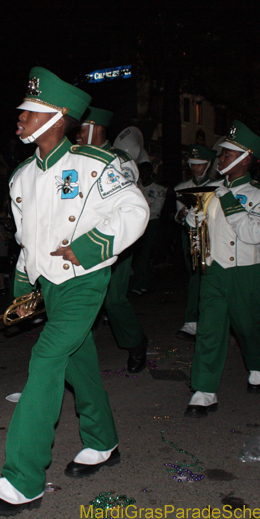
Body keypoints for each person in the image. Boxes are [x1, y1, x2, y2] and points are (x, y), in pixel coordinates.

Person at [0, 67, 149, 517]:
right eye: (22, 111)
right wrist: (22, 284)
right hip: (48, 283)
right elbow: (26, 239)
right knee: (78, 363)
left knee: (47, 358)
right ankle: (103, 441)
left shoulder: (96, 165)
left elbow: (135, 209)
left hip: (85, 280)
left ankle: (22, 479)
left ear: (57, 117)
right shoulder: (21, 176)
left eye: (30, 112)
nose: (20, 118)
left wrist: (89, 247)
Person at [184, 121, 260, 418]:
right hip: (214, 270)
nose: (221, 159)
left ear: (246, 159)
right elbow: (198, 224)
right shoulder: (213, 190)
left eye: (227, 154)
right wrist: (194, 217)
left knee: (247, 328)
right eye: (222, 154)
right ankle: (204, 389)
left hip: (244, 272)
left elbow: (254, 234)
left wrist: (225, 198)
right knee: (209, 330)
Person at [75, 107, 149, 373]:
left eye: (82, 129)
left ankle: (135, 341)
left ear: (97, 129)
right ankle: (80, 356)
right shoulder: (75, 156)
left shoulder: (120, 159)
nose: (77, 135)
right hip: (83, 238)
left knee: (113, 299)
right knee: (82, 299)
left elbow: (124, 203)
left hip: (116, 237)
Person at [174, 144, 216, 340]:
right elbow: (177, 218)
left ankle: (210, 318)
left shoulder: (219, 186)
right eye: (192, 164)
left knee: (212, 276)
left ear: (208, 164)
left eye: (199, 164)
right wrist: (182, 214)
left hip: (213, 235)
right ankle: (192, 321)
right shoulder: (181, 188)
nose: (195, 168)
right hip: (190, 235)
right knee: (195, 276)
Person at [130, 161, 167, 293]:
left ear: (151, 173)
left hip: (151, 223)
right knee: (138, 254)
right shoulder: (135, 186)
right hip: (135, 223)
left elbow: (156, 209)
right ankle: (147, 282)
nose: (144, 176)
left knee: (144, 254)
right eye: (142, 173)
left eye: (147, 172)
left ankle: (137, 284)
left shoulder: (159, 189)